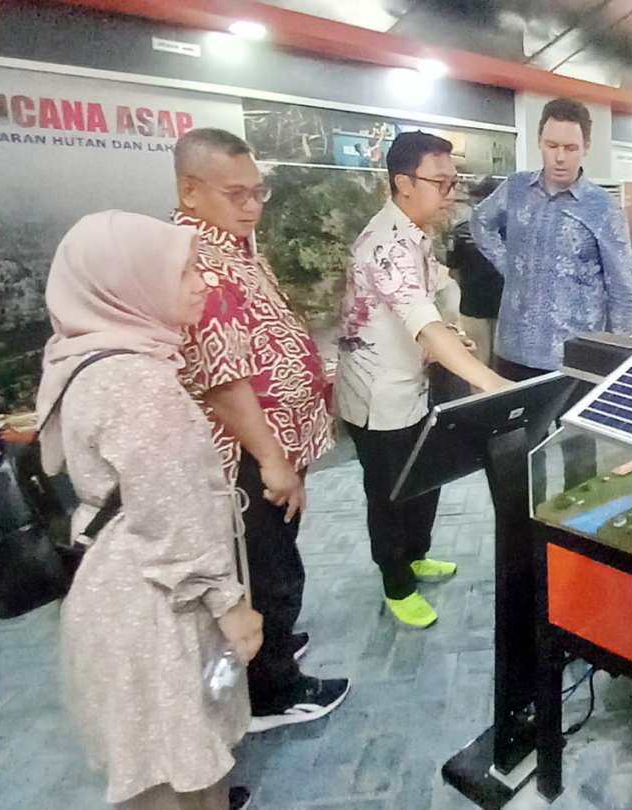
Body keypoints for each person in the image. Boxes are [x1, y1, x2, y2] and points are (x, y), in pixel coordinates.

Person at [39, 211, 263, 810]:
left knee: (163, 750)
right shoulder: (137, 385)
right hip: (153, 599)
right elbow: (172, 514)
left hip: (117, 581)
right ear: (128, 283)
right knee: (174, 766)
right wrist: (231, 606)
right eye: (184, 271)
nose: (202, 283)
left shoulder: (88, 354)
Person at [173, 128, 349, 732]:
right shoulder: (195, 257)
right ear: (189, 191)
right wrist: (272, 461)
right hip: (246, 456)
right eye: (236, 194)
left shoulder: (234, 245)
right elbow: (224, 379)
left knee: (274, 554)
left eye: (259, 192)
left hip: (274, 446)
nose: (251, 206)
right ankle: (273, 691)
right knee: (266, 567)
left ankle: (271, 646)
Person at [334, 132, 508, 627]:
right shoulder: (385, 244)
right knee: (389, 492)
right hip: (378, 395)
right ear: (403, 182)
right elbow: (420, 320)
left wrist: (453, 337)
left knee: (421, 480)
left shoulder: (416, 235)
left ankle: (414, 555)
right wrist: (488, 380)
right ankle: (396, 582)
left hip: (414, 385)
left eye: (453, 182)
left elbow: (431, 313)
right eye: (439, 181)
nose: (448, 192)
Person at [471, 98, 632, 488]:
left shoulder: (602, 208)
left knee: (578, 467)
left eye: (570, 147)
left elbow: (623, 292)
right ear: (540, 142)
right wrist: (509, 266)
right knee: (517, 468)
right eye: (551, 145)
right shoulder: (515, 189)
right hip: (513, 355)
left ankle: (571, 546)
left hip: (574, 362)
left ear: (586, 148)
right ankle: (523, 547)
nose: (560, 157)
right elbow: (481, 223)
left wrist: (619, 367)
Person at [448, 177, 503, 365]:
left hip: (504, 310)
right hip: (473, 309)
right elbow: (454, 271)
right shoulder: (461, 232)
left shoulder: (513, 231)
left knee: (503, 365)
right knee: (478, 365)